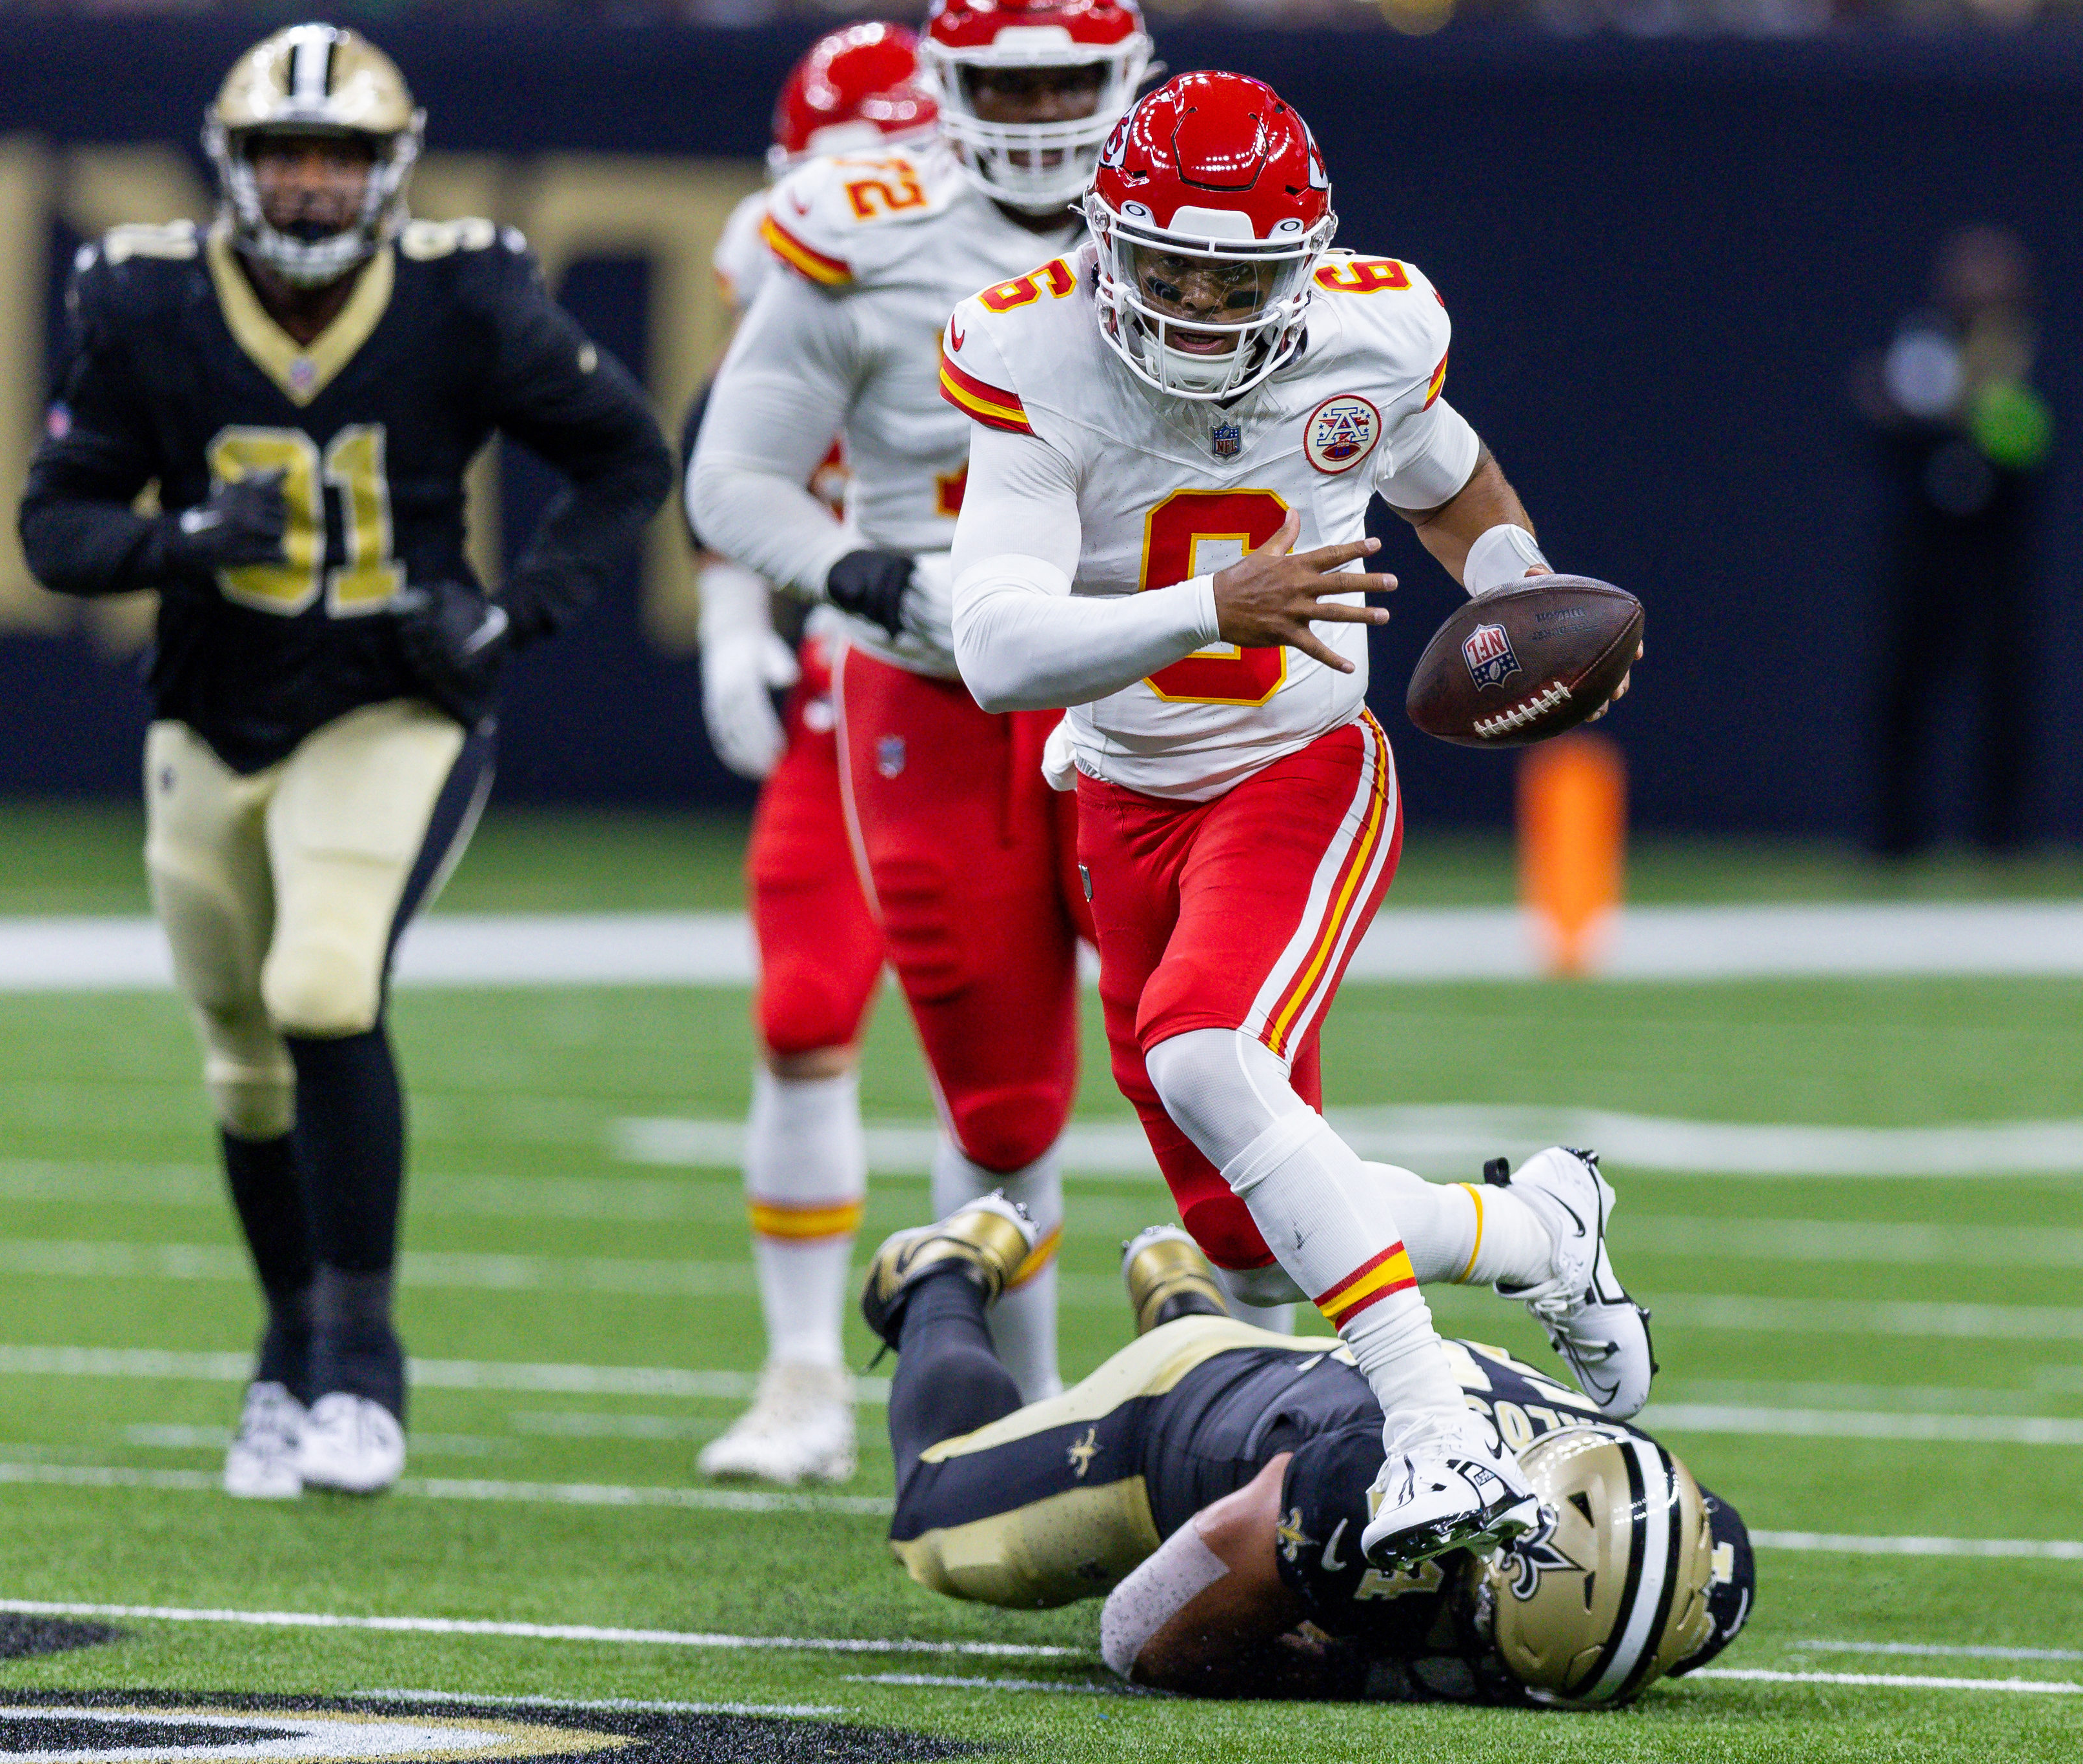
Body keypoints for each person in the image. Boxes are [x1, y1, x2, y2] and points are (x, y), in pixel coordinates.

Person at [940, 70, 1649, 1569]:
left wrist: (1518, 591)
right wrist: (1216, 598)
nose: (1199, 303)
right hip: (1124, 790)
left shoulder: (1365, 334)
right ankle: (1534, 1231)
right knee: (1248, 1224)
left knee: (1206, 1050)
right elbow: (991, 646)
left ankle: (1431, 1421)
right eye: (1168, 266)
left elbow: (1448, 483)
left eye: (1236, 273)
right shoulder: (1035, 348)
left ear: (1304, 259)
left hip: (1299, 763)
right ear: (1101, 240)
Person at [15, 25, 671, 1498]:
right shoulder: (147, 298)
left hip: (390, 700)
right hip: (211, 709)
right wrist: (174, 540)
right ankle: (286, 1350)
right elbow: (54, 522)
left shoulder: (465, 290)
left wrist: (512, 614)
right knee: (244, 1063)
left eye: (338, 158)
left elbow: (627, 457)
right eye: (282, 157)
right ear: (232, 166)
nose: (310, 186)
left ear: (391, 168)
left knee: (322, 984)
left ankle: (365, 1365)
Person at [685, 0, 1161, 1467]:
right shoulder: (856, 234)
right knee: (1004, 1093)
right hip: (931, 684)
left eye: (1071, 84)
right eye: (1006, 89)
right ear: (939, 87)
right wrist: (850, 572)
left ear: (1128, 76)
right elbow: (732, 477)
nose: (1040, 119)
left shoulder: (1190, 214)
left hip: (1147, 688)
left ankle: (1259, 1416)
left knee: (1196, 1059)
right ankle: (1018, 1437)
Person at [867, 1199, 1753, 1703]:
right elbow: (1137, 1634)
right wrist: (1362, 1668)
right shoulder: (1360, 1496)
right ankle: (940, 1276)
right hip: (1162, 1423)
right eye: (1490, 1626)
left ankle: (1183, 1290)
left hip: (1302, 1386)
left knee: (1269, 1404)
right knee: (933, 1524)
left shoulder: (1689, 1551)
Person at [678, 24, 928, 1489]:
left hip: (1054, 676)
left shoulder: (1041, 253)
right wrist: (729, 613)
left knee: (1133, 1044)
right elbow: (743, 443)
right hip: (868, 664)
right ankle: (800, 1372)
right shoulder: (779, 257)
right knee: (802, 1004)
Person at [1855, 223, 2052, 857]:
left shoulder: (2028, 351)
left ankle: (2002, 838)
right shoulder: (1923, 340)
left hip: (1995, 550)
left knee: (2003, 691)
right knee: (1906, 688)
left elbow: (2030, 442)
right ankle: (1896, 836)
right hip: (1925, 546)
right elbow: (1887, 411)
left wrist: (1986, 405)